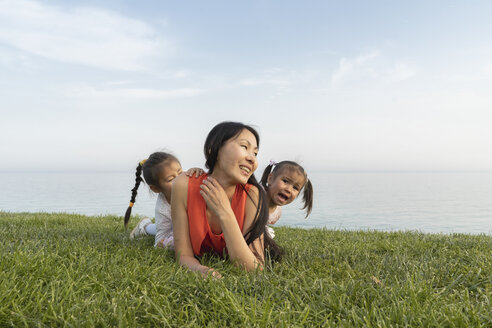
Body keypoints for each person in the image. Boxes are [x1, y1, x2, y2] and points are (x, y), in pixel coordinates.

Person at [171, 121, 281, 277]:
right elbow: (183, 255)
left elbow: (254, 270)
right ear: (214, 149)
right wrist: (200, 269)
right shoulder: (183, 185)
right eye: (244, 146)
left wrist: (224, 212)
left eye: (255, 153)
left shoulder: (253, 194)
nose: (252, 159)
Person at [124, 152, 201, 248]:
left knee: (168, 228)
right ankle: (144, 227)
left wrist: (198, 173)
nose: (180, 179)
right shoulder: (162, 209)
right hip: (174, 225)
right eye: (171, 179)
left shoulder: (190, 185)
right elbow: (159, 242)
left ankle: (145, 225)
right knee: (170, 232)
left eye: (180, 173)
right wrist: (173, 243)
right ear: (156, 189)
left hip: (182, 224)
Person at [259, 160, 313, 238]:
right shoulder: (257, 194)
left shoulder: (277, 212)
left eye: (295, 188)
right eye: (285, 181)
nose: (289, 189)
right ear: (270, 178)